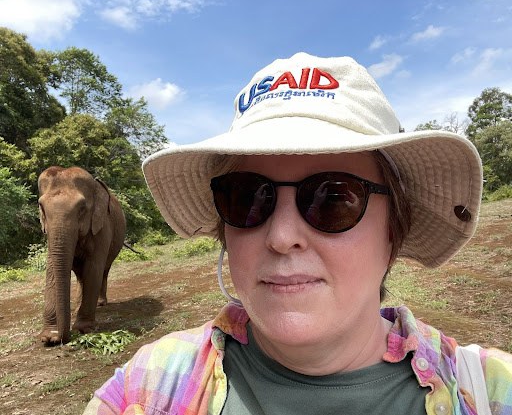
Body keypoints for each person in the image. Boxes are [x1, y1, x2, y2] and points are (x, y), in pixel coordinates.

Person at [83, 52, 512, 415]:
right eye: (247, 197)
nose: (282, 236)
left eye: (333, 199)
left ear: (394, 230)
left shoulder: (491, 390)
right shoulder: (148, 387)